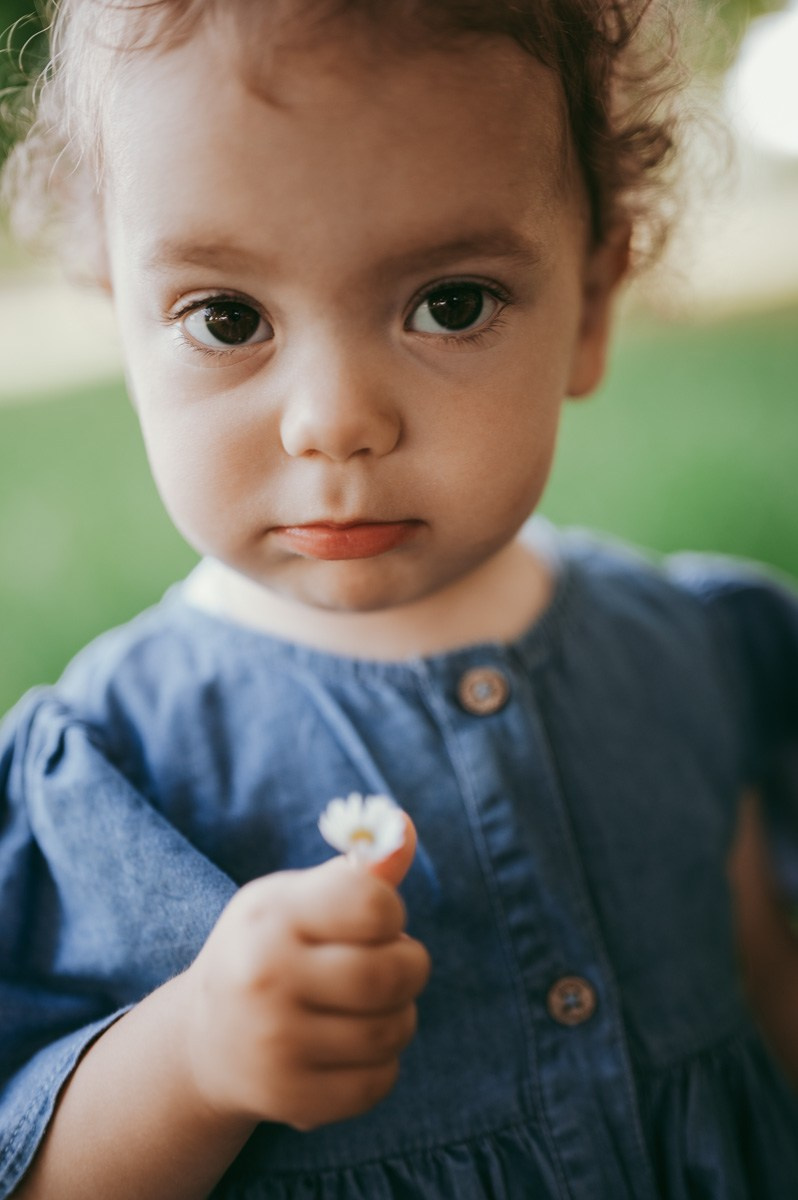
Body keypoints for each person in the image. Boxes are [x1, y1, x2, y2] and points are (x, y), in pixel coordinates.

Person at [1, 0, 797, 1196]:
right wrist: (189, 1060)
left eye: (452, 302)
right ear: (117, 307)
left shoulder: (694, 654)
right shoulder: (115, 770)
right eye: (228, 319)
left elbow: (764, 993)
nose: (336, 419)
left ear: (591, 303)